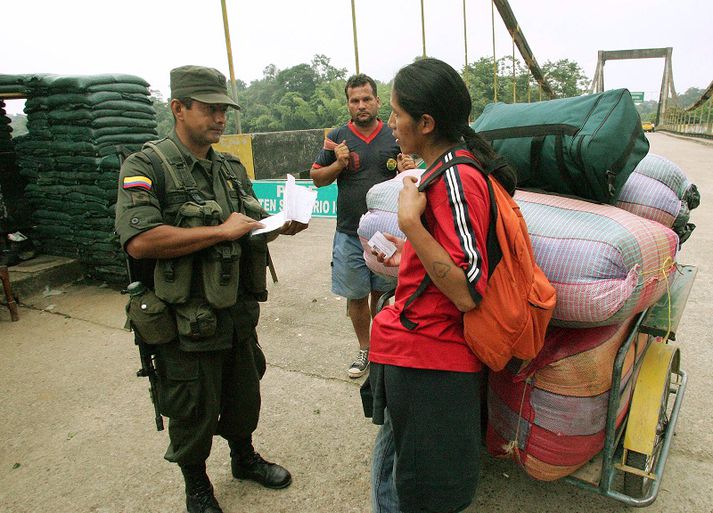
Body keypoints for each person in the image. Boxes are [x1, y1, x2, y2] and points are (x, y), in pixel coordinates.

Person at [115, 65, 307, 513]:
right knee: (192, 407)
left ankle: (243, 458)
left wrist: (279, 227)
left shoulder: (230, 167)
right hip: (184, 320)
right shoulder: (146, 166)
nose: (220, 118)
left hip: (235, 311)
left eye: (224, 109)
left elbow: (247, 226)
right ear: (177, 108)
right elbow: (141, 240)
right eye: (210, 109)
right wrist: (221, 232)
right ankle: (196, 485)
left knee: (243, 393)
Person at [366, 58, 517, 513]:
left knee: (421, 489)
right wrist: (408, 251)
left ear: (426, 122)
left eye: (395, 112)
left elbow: (467, 292)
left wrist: (411, 223)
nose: (390, 122)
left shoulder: (456, 179)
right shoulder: (449, 172)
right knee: (397, 465)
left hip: (430, 356)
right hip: (414, 349)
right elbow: (450, 255)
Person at [310, 73, 415, 378]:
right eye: (355, 100)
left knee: (382, 294)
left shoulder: (394, 134)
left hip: (386, 234)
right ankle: (365, 349)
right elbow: (317, 178)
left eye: (367, 98)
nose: (361, 105)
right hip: (348, 233)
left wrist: (409, 168)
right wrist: (338, 164)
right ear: (348, 105)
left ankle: (384, 348)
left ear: (378, 101)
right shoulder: (337, 137)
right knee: (355, 295)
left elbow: (410, 176)